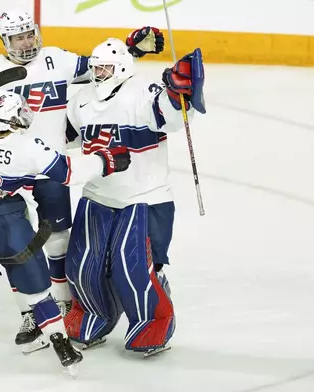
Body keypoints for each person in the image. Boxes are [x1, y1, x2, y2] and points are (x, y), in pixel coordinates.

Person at [0, 8, 164, 352]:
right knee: (13, 244)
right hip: (6, 169)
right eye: (18, 37)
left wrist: (133, 49)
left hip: (48, 163)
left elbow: (101, 67)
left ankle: (62, 304)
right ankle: (31, 312)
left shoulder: (58, 60)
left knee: (57, 238)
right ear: (4, 40)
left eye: (30, 33)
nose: (27, 41)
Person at [0, 91, 131, 376]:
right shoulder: (27, 145)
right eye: (16, 112)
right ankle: (63, 349)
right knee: (38, 294)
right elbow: (69, 172)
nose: (23, 115)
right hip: (11, 226)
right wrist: (104, 161)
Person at [64, 38, 206, 356]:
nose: (99, 72)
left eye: (106, 67)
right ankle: (93, 314)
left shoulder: (144, 91)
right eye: (96, 67)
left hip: (143, 197)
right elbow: (64, 136)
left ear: (123, 67)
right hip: (97, 195)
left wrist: (177, 91)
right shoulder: (82, 99)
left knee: (134, 269)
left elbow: (170, 117)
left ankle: (151, 321)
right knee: (81, 265)